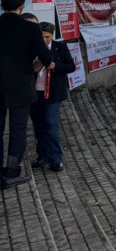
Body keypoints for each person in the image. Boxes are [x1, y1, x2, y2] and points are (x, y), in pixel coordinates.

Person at [0, 0, 52, 189]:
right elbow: (46, 58)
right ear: (22, 7)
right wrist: (34, 66)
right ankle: (12, 172)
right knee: (18, 129)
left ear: (2, 5)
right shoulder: (30, 29)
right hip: (21, 86)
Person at [30, 22, 76, 173]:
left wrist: (55, 66)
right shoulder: (32, 47)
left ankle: (56, 159)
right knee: (39, 125)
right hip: (35, 92)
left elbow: (71, 66)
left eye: (47, 37)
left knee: (51, 123)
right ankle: (42, 155)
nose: (44, 40)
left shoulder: (60, 47)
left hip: (53, 93)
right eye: (42, 36)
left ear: (52, 35)